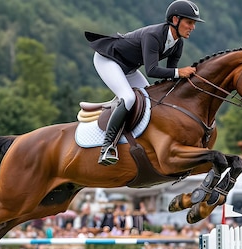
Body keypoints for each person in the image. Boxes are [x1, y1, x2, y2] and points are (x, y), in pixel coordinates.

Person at [86, 0, 204, 165]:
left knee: (150, 100)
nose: (193, 27)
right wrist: (179, 72)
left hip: (129, 68)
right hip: (108, 60)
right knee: (128, 98)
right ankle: (107, 146)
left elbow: (170, 77)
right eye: (189, 22)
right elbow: (152, 70)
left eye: (194, 23)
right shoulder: (154, 35)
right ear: (175, 20)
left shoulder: (178, 44)